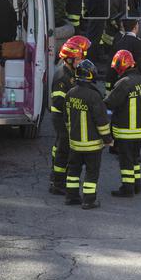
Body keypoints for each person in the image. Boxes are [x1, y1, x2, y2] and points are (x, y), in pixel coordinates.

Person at [65, 60, 112, 209]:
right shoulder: (94, 96)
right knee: (91, 173)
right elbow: (102, 121)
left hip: (75, 143)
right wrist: (107, 139)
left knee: (73, 171)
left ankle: (71, 197)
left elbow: (66, 119)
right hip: (92, 145)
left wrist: (71, 135)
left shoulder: (70, 93)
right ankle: (88, 200)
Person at [105, 50, 141, 198]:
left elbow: (110, 103)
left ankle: (127, 188)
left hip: (125, 130)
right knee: (135, 159)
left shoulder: (124, 83)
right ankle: (137, 185)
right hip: (140, 129)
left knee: (125, 160)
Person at [49, 38, 87, 195]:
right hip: (61, 118)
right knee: (63, 149)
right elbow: (59, 102)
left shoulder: (70, 72)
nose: (80, 61)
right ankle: (58, 183)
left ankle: (56, 177)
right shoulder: (62, 77)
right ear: (69, 59)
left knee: (60, 146)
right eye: (77, 59)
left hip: (65, 117)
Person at [106, 18, 141, 92]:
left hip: (119, 79)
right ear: (136, 27)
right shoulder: (138, 43)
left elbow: (112, 64)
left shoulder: (119, 41)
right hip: (134, 80)